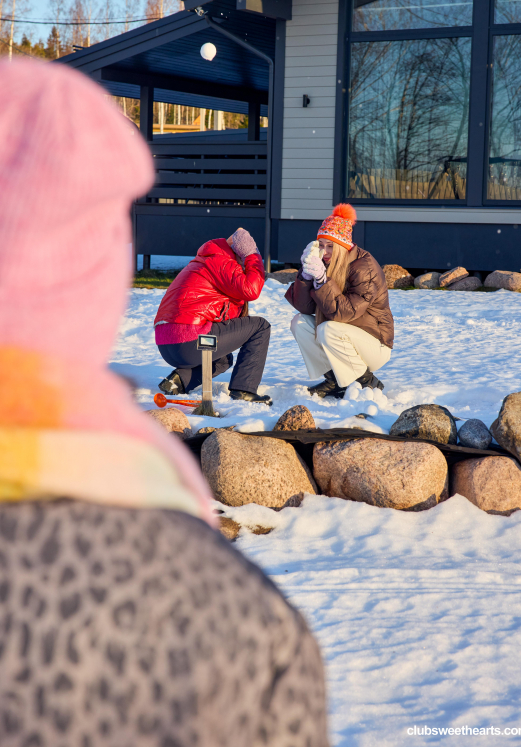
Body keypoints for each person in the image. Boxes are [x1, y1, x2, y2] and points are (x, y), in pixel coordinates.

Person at [0, 59, 329, 747]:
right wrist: (255, 264)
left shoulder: (197, 257)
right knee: (263, 328)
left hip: (169, 342)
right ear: (89, 274)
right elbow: (248, 300)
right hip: (191, 341)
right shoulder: (236, 625)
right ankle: (238, 387)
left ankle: (194, 382)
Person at [286, 204, 394, 399]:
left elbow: (345, 313)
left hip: (374, 343)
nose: (325, 252)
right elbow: (305, 307)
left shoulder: (364, 267)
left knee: (328, 329)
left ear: (343, 246)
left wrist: (322, 281)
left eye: (331, 246)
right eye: (321, 245)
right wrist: (306, 276)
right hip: (344, 336)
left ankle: (368, 383)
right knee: (299, 323)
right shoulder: (325, 264)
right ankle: (335, 380)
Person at [155, 229, 272, 405]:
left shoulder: (205, 261)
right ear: (239, 251)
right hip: (189, 341)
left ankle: (179, 380)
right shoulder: (222, 261)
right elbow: (251, 289)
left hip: (168, 345)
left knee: (223, 359)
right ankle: (244, 390)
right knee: (260, 326)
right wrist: (252, 255)